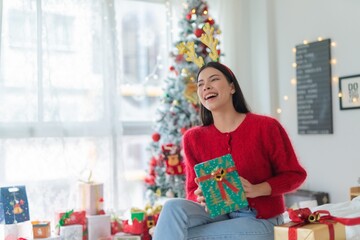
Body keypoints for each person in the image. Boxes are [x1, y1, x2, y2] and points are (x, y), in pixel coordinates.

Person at [152, 61, 307, 240]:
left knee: (183, 235)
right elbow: (192, 190)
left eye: (214, 80)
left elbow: (295, 175)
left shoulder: (266, 127)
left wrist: (258, 189)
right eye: (200, 84)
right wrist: (200, 198)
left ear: (232, 87)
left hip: (259, 219)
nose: (206, 87)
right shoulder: (193, 138)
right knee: (172, 207)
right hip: (217, 215)